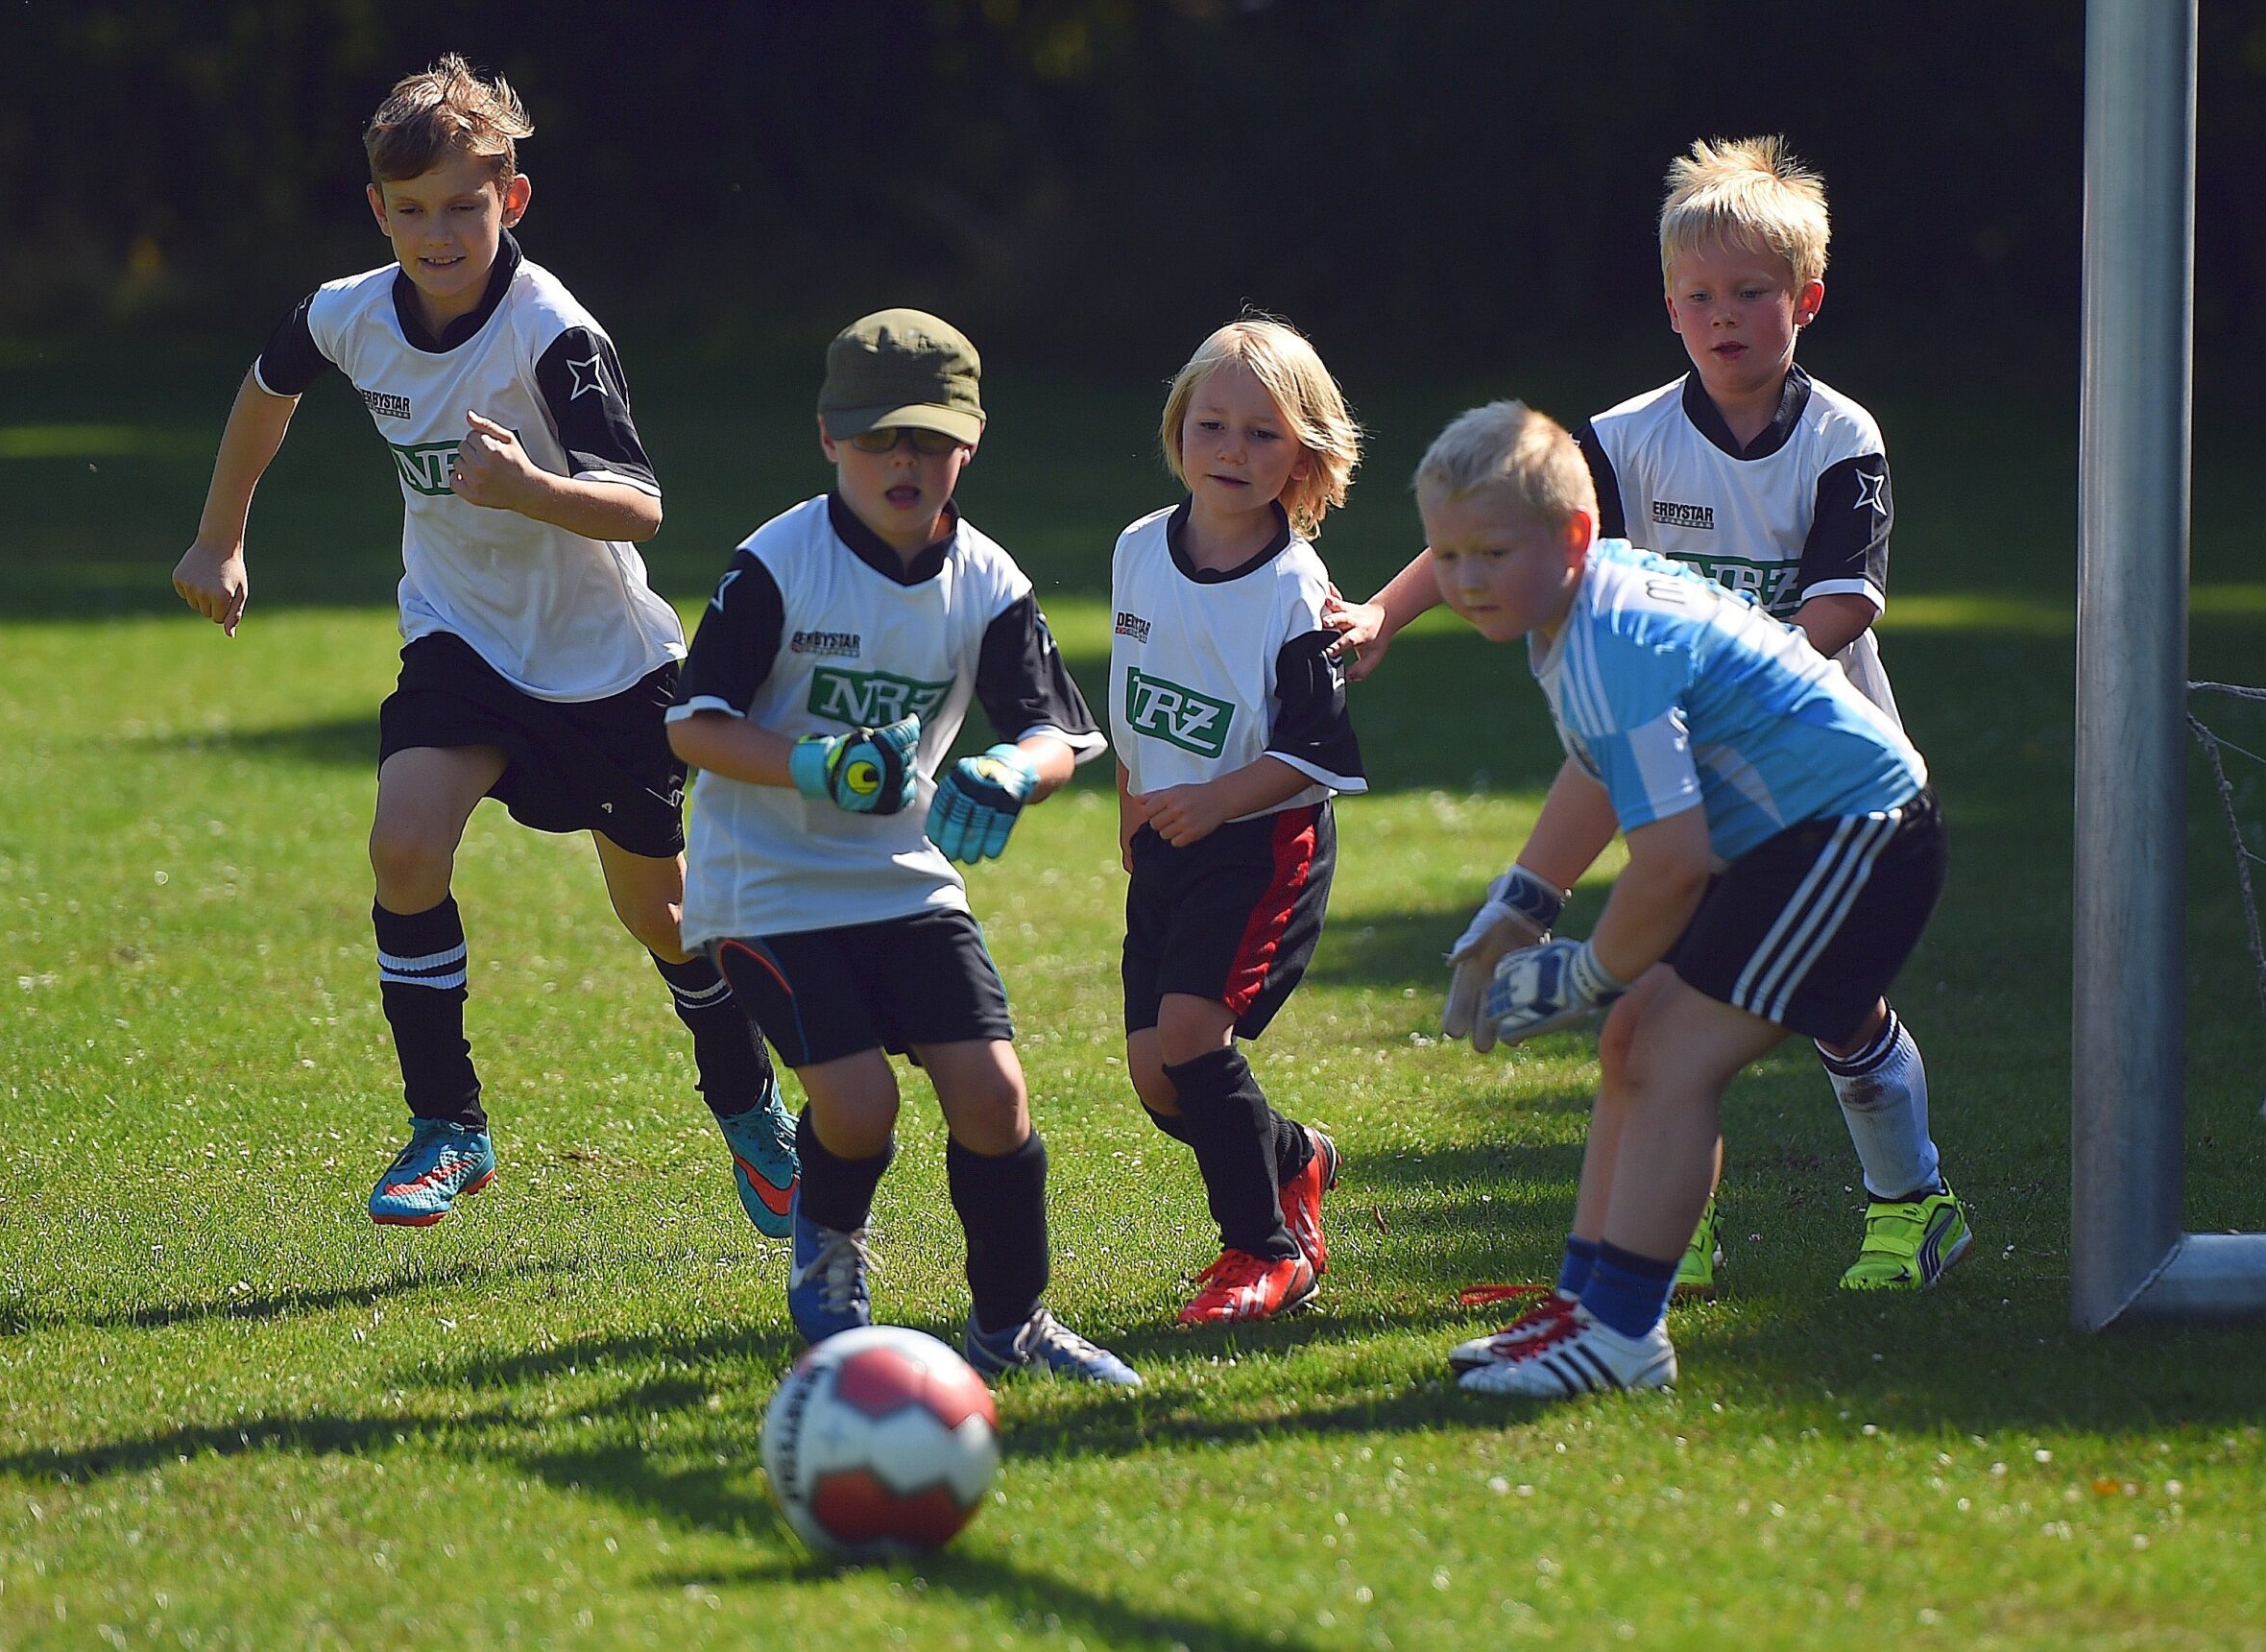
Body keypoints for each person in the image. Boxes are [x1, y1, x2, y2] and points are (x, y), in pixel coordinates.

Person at [1328, 136, 1965, 1318]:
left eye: (1751, 294)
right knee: (1669, 1012)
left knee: (1809, 1007)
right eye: (1699, 298)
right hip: (1690, 760)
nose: (1723, 318)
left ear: (1806, 302)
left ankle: (1908, 1203)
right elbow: (1502, 519)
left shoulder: (1840, 438)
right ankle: (1663, 1241)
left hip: (1825, 788)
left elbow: (1837, 604)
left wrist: (1722, 677)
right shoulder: (1619, 450)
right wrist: (1382, 612)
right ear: (1669, 310)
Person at [168, 56, 790, 1233]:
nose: (438, 231)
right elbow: (267, 388)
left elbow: (640, 502)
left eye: (465, 204)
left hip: (605, 663)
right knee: (404, 844)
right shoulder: (346, 312)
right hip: (458, 640)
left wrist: (526, 486)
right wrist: (220, 539)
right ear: (377, 211)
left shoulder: (553, 331)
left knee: (660, 917)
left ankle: (748, 1104)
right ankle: (447, 1124)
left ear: (512, 200)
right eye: (412, 209)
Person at [1411, 401, 1948, 1396]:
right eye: (1445, 555)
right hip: (1809, 835)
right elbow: (1600, 767)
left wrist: (1583, 972)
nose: (1466, 579)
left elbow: (1671, 864)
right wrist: (1518, 905)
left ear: (1574, 535)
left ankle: (1622, 1336)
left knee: (1664, 1052)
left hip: (1856, 837)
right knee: (1634, 1046)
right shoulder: (1583, 608)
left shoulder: (1607, 634)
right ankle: (1583, 1310)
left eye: (1491, 550)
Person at [666, 309, 1138, 1385]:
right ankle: (827, 1255)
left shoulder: (987, 576)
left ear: (969, 443)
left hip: (899, 878)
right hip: (765, 883)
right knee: (859, 1102)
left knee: (994, 1095)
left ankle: (1009, 1323)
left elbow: (1057, 730)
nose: (905, 462)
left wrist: (1014, 771)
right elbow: (691, 723)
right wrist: (811, 764)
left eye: (929, 439)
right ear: (830, 437)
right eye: (880, 439)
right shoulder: (777, 562)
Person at [1110, 319, 1367, 1325]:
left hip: (1263, 842)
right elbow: (1135, 695)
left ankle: (1262, 1252)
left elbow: (1322, 753)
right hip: (1165, 837)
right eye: (1211, 424)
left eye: (1263, 434)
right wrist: (1133, 809)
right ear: (1178, 432)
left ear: (1305, 453)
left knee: (1189, 1034)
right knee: (1157, 1078)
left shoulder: (1295, 588)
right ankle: (1294, 1155)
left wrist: (1217, 799)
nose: (1231, 450)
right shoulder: (1138, 547)